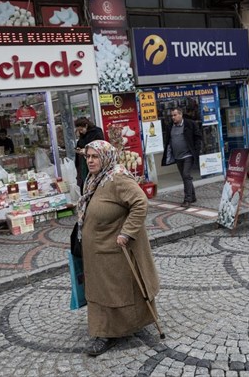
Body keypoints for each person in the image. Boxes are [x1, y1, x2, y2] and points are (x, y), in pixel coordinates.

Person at [76, 140, 160, 357]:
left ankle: (107, 333)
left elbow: (140, 202)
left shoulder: (117, 177)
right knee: (102, 289)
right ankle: (111, 327)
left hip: (112, 248)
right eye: (88, 156)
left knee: (111, 291)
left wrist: (126, 232)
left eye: (95, 156)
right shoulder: (95, 178)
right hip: (97, 249)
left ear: (106, 157)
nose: (91, 160)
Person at [161, 107, 202, 208]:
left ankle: (187, 200)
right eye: (172, 116)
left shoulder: (190, 124)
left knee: (186, 174)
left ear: (181, 115)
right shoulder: (170, 126)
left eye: (175, 115)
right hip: (177, 156)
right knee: (185, 177)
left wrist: (196, 152)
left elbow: (198, 138)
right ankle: (193, 196)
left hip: (188, 155)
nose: (173, 117)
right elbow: (168, 140)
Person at [74, 117, 104, 188]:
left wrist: (86, 150)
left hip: (93, 160)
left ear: (86, 126)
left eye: (81, 129)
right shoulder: (82, 134)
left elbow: (100, 146)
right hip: (83, 161)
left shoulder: (96, 132)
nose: (80, 132)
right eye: (78, 130)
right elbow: (81, 144)